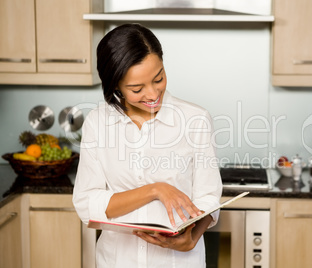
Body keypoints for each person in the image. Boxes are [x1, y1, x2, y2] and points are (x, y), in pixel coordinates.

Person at [72, 23, 222, 268]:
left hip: (178, 262)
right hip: (117, 261)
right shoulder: (98, 122)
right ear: (115, 86)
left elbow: (208, 197)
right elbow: (87, 203)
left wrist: (192, 238)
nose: (152, 94)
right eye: (136, 88)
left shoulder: (195, 120)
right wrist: (156, 190)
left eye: (158, 78)